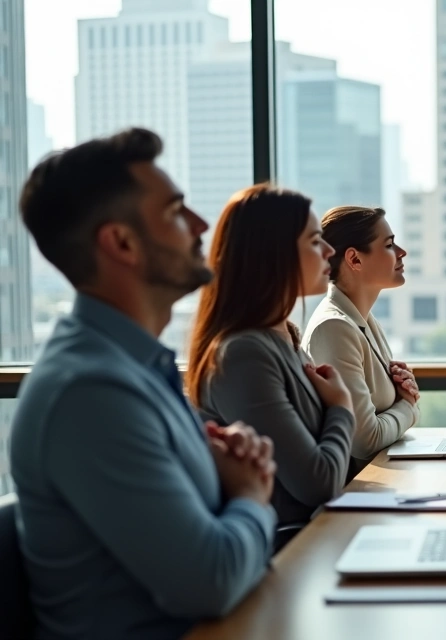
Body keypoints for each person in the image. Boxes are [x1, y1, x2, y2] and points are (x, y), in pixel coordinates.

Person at [10, 128, 276, 639]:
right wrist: (249, 494)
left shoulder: (133, 369)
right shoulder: (90, 393)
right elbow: (211, 580)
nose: (201, 224)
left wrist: (227, 477)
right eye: (177, 212)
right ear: (122, 243)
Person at [186, 185, 355, 527]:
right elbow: (318, 484)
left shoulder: (288, 337)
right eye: (313, 241)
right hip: (287, 555)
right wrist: (341, 407)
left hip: (319, 540)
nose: (329, 250)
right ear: (272, 254)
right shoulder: (243, 355)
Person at [304, 206, 420, 473]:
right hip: (358, 494)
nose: (402, 252)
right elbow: (366, 441)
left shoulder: (364, 320)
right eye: (389, 245)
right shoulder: (334, 327)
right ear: (355, 260)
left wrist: (402, 401)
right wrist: (409, 407)